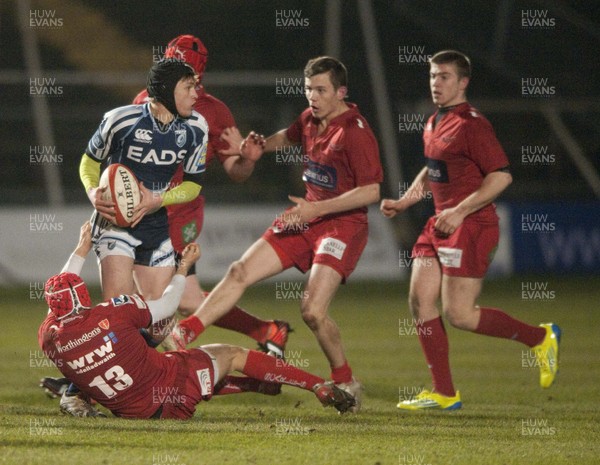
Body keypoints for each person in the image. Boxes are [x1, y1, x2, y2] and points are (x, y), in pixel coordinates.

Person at [172, 56, 384, 413]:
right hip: (304, 217)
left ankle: (346, 379)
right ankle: (189, 329)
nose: (312, 97)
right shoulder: (309, 120)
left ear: (341, 92)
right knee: (240, 271)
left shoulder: (355, 132)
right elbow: (287, 137)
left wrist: (316, 210)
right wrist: (253, 148)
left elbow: (372, 191)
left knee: (313, 311)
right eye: (308, 90)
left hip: (340, 225)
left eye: (320, 90)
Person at [380, 50, 561, 410]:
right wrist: (405, 202)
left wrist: (461, 211)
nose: (436, 83)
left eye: (444, 76)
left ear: (463, 83)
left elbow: (502, 176)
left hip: (471, 225)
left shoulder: (472, 124)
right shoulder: (433, 122)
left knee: (459, 315)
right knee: (419, 300)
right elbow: (432, 170)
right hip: (439, 224)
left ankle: (541, 338)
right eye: (433, 76)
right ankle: (444, 393)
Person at [38, 222, 356, 419]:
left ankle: (254, 385)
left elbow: (64, 296)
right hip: (171, 385)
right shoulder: (113, 313)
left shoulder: (49, 337)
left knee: (155, 364)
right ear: (82, 295)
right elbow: (167, 306)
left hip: (131, 410)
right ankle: (318, 386)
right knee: (231, 355)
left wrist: (81, 249)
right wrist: (183, 267)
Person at [132, 35, 290, 356]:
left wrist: (246, 158)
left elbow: (236, 172)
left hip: (180, 215)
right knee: (187, 300)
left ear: (196, 76)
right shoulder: (142, 101)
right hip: (144, 211)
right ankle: (267, 330)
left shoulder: (214, 113)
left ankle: (100, 381)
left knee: (147, 300)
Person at [80, 58, 207, 306]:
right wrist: (92, 192)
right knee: (120, 310)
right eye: (188, 88)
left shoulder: (197, 128)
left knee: (156, 319)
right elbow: (89, 161)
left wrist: (158, 200)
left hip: (156, 224)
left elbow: (193, 185)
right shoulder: (121, 120)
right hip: (115, 223)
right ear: (166, 90)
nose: (195, 95)